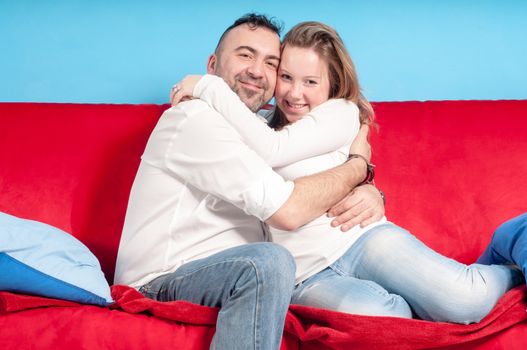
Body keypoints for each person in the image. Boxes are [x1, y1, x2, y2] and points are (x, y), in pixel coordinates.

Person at [170, 21, 524, 324]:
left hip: (358, 239)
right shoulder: (256, 125)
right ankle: (420, 300)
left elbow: (273, 150)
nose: (294, 94)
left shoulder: (340, 114)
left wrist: (206, 85)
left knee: (464, 302)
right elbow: (260, 145)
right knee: (389, 319)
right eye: (286, 77)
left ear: (332, 84)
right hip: (305, 277)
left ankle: (506, 253)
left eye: (311, 82)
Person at [114, 14, 383, 350]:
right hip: (161, 279)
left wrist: (368, 187)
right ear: (212, 65)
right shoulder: (195, 119)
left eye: (271, 62)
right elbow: (289, 211)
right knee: (267, 263)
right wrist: (357, 167)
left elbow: (311, 168)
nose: (257, 70)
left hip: (235, 275)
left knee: (378, 303)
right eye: (245, 55)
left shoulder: (258, 129)